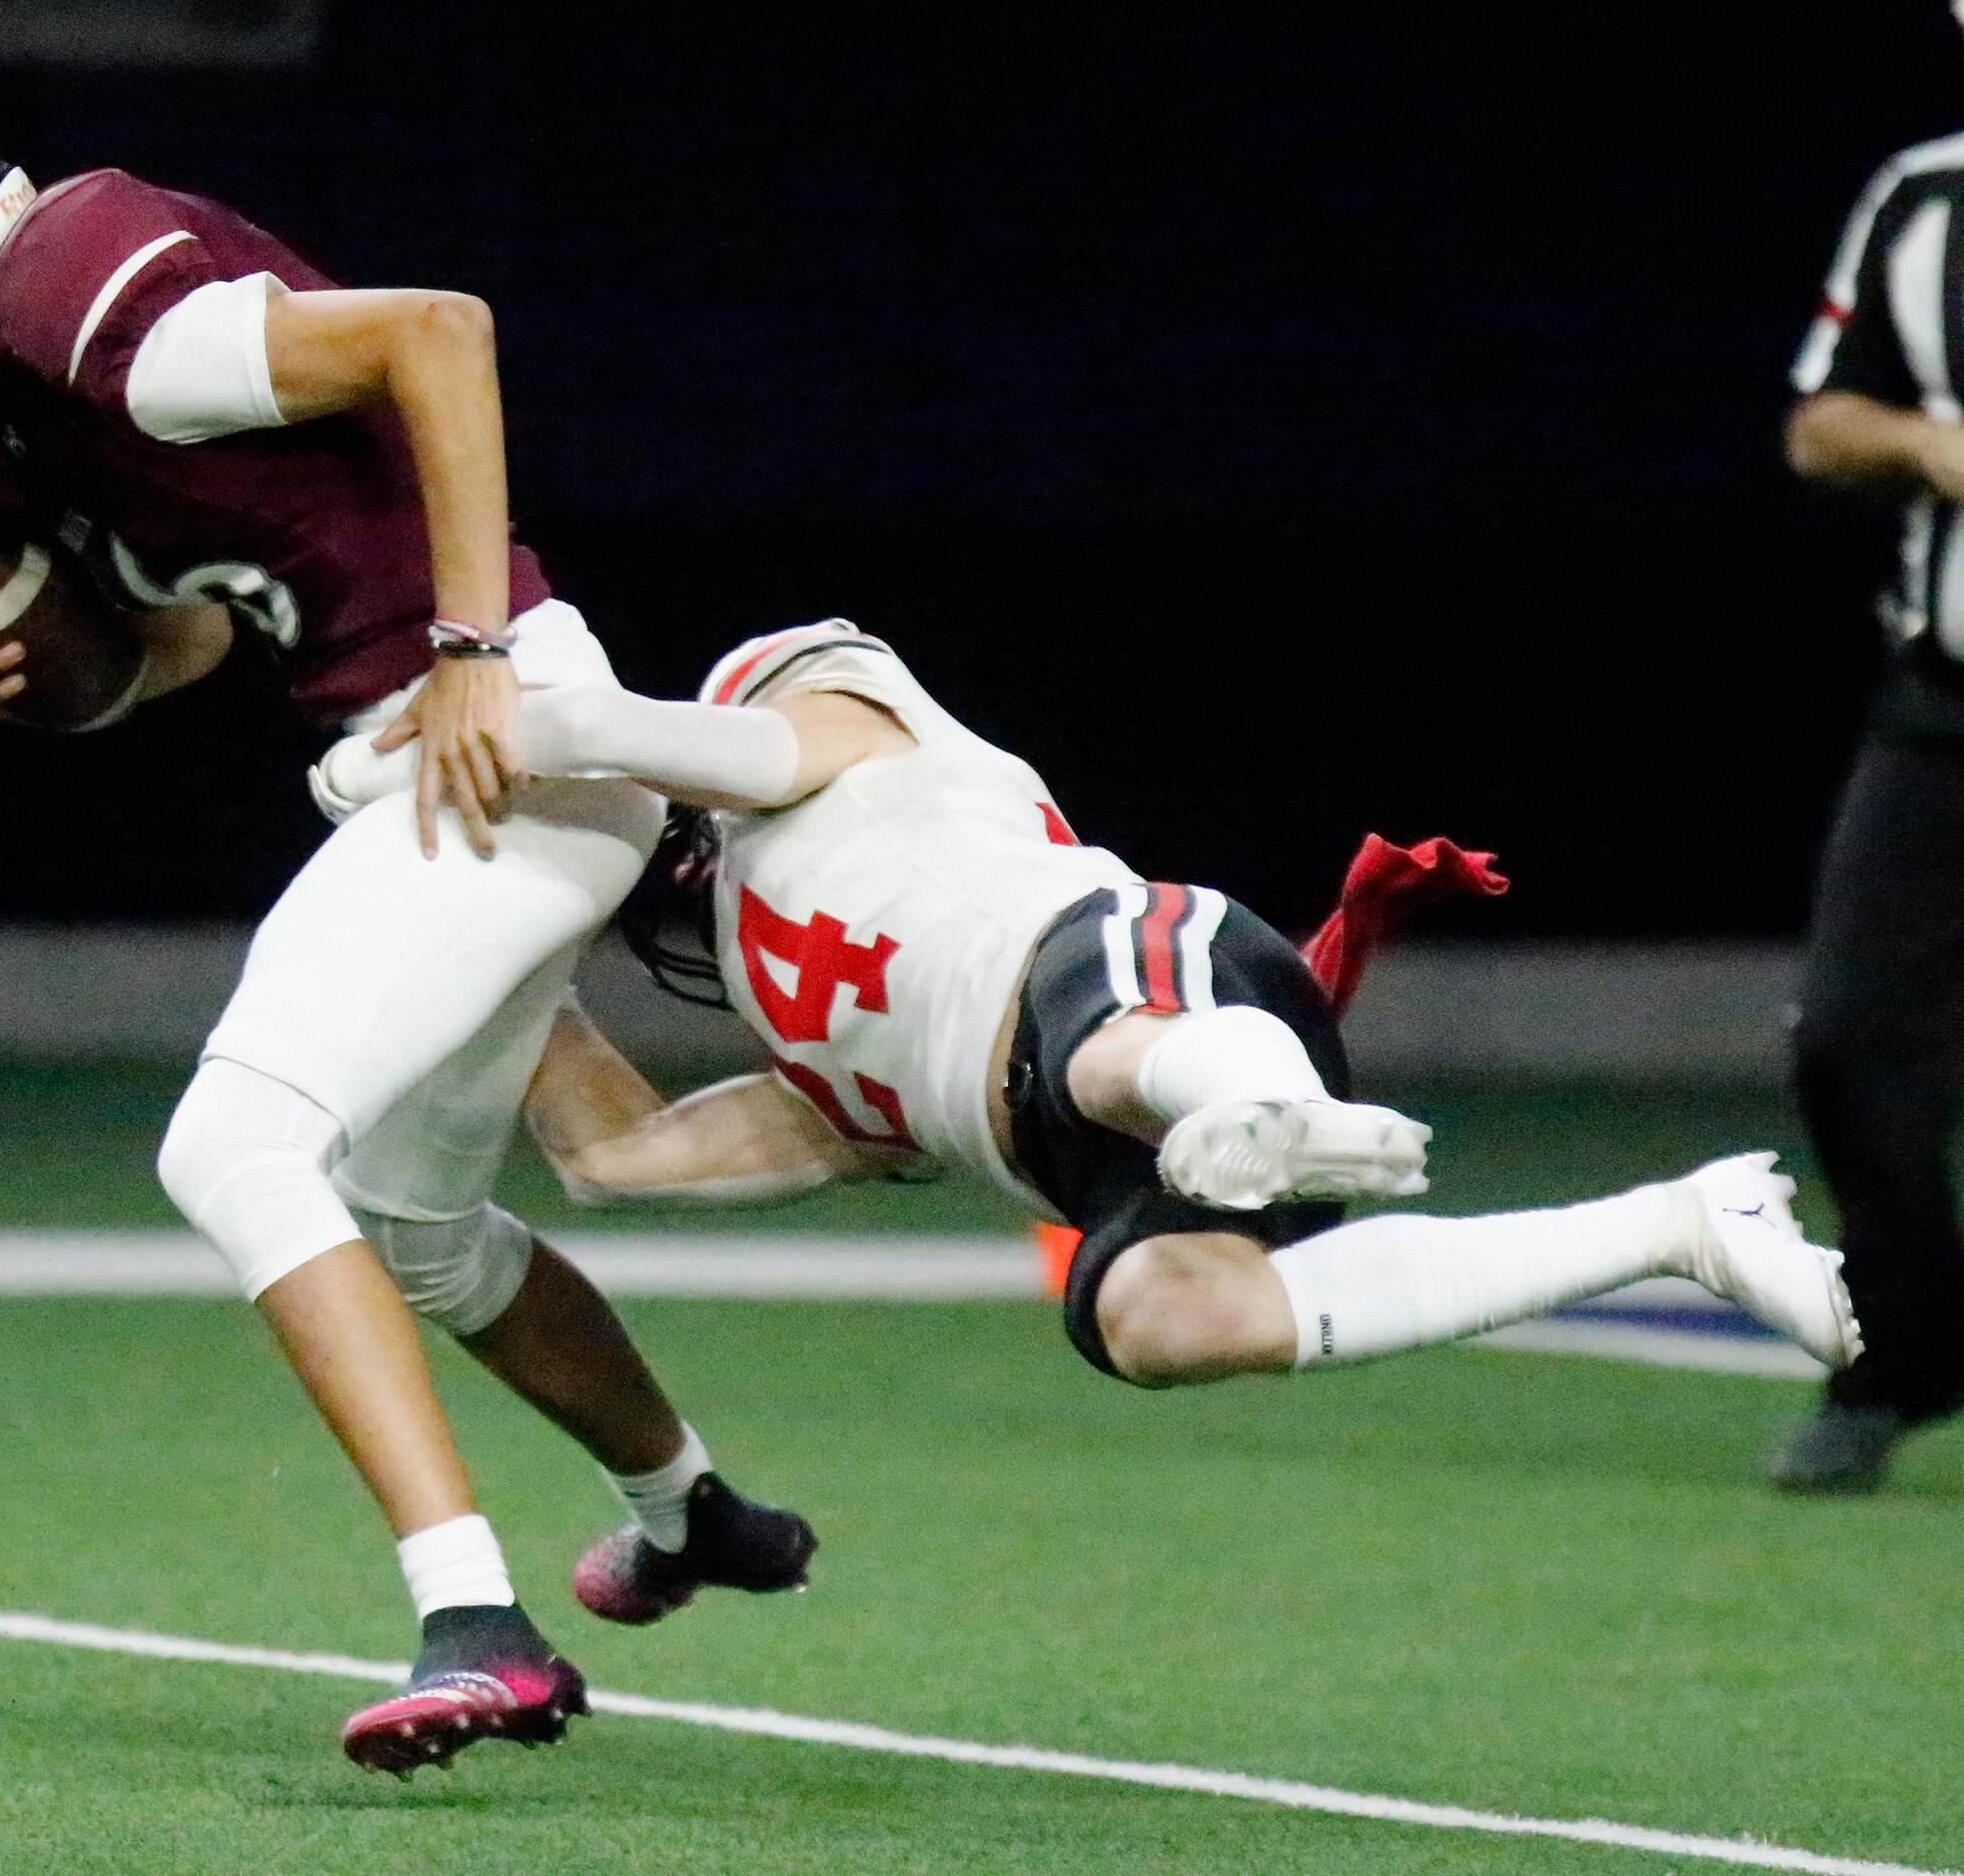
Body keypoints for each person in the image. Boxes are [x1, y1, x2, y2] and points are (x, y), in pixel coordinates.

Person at [0, 83, 814, 1776]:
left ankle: (476, 1622)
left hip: (493, 750)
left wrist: (470, 648)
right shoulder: (25, 396)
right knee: (425, 1231)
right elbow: (202, 635)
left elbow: (437, 336)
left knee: (235, 1140)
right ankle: (690, 1509)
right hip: (464, 766)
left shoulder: (73, 286)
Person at [326, 620, 1863, 1402]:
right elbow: (615, 1161)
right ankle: (1680, 1223)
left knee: (1121, 1057)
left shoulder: (845, 732)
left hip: (1134, 964)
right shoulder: (806, 1047)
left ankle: (1268, 1113)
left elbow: (606, 724)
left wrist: (400, 760)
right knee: (1161, 1321)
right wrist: (500, 950)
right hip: (1090, 1135)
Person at [1775, 80, 1964, 1490]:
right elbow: (1818, 422)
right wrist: (1924, 442)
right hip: (1941, 709)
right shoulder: (1923, 196)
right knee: (1848, 1034)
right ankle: (1904, 1340)